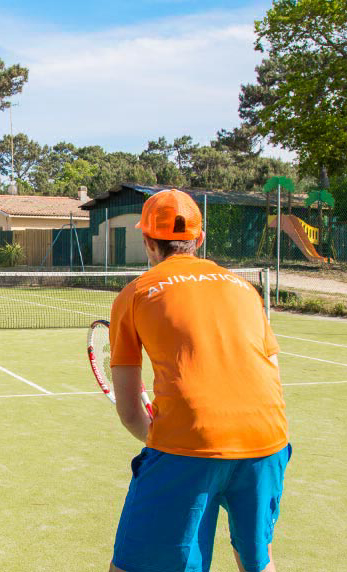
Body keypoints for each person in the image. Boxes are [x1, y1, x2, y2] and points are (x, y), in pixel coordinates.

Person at [108, 189, 289, 572]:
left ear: (147, 242)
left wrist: (158, 436)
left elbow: (129, 411)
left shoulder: (135, 294)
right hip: (268, 439)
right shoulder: (246, 289)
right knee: (258, 559)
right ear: (200, 240)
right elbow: (271, 368)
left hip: (190, 443)